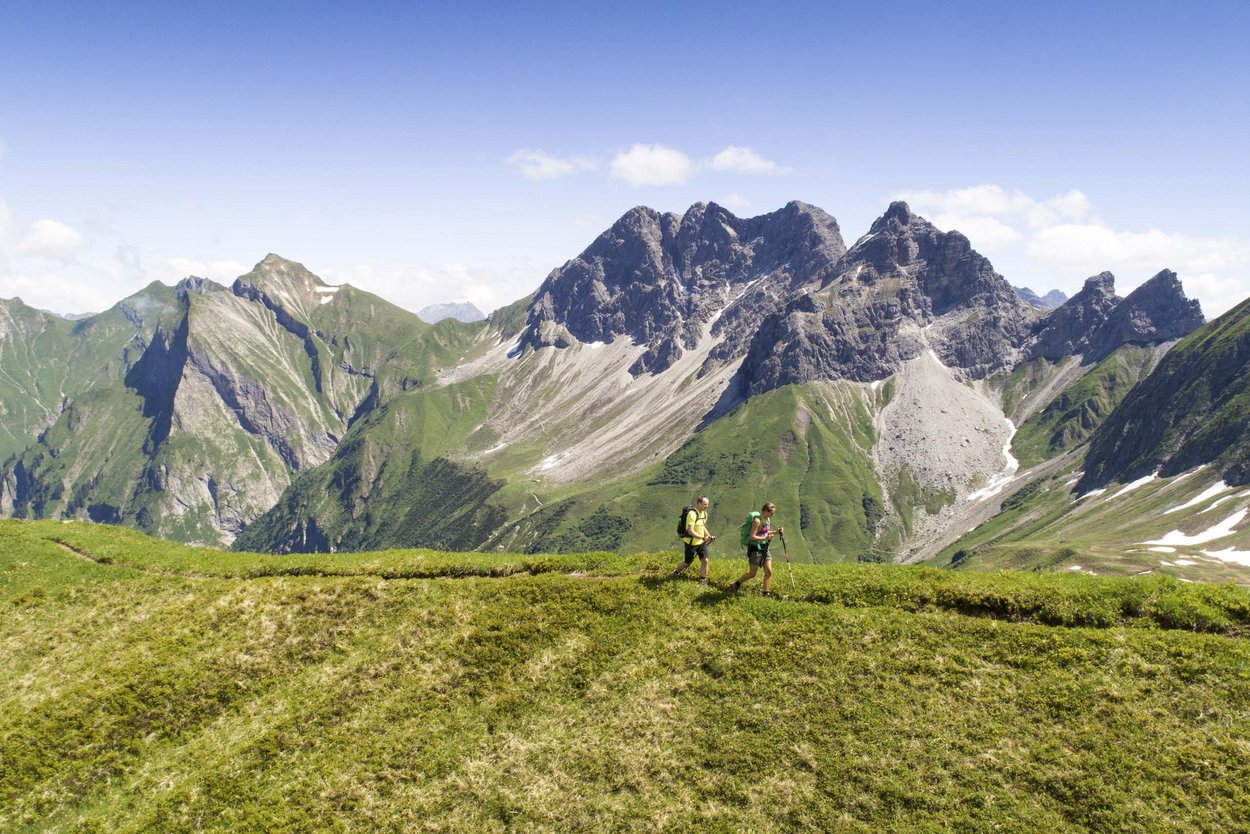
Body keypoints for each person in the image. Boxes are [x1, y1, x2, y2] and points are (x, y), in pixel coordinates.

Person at [728, 502, 782, 596]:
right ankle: (736, 584)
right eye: (771, 512)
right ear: (765, 511)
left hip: (765, 547)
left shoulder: (767, 520)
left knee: (769, 571)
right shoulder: (757, 521)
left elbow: (764, 532)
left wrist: (776, 532)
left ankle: (766, 592)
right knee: (752, 573)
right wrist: (765, 538)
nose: (773, 515)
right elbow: (752, 537)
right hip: (755, 548)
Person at [669, 496, 715, 582]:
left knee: (705, 560)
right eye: (705, 504)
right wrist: (703, 537)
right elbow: (690, 531)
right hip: (691, 543)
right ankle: (675, 573)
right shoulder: (692, 514)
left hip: (701, 543)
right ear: (699, 504)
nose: (707, 506)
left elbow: (702, 526)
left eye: (707, 504)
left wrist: (709, 536)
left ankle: (703, 580)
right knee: (687, 562)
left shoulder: (704, 514)